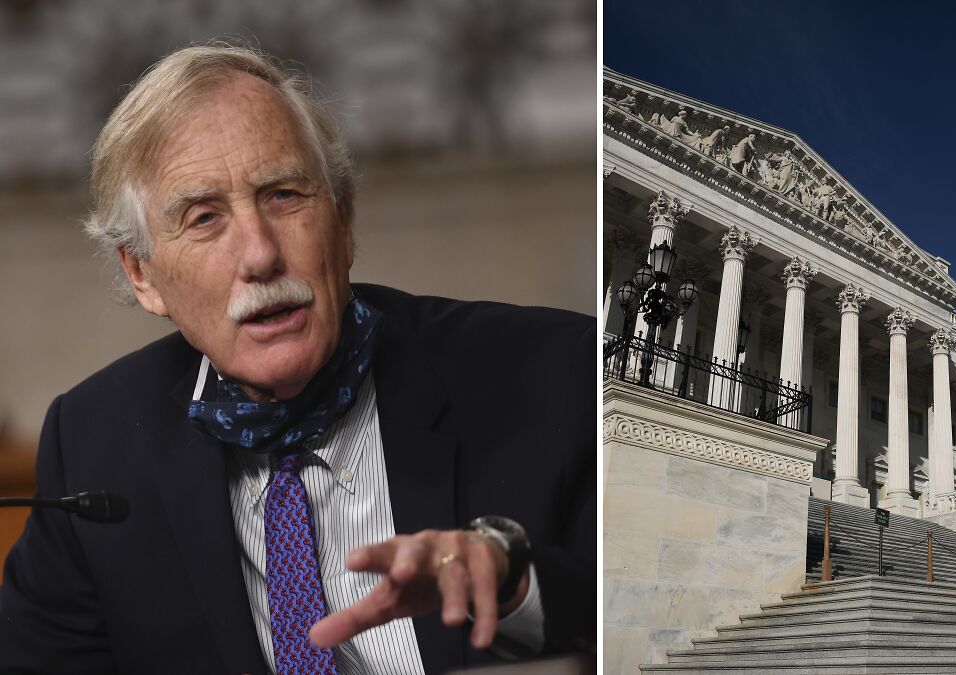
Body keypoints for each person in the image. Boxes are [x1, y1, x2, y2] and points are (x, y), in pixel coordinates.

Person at [0, 44, 595, 674]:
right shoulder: (94, 445)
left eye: (284, 195)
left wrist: (512, 589)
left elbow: (616, 613)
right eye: (204, 218)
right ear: (142, 274)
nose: (259, 255)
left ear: (344, 223)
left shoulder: (553, 374)